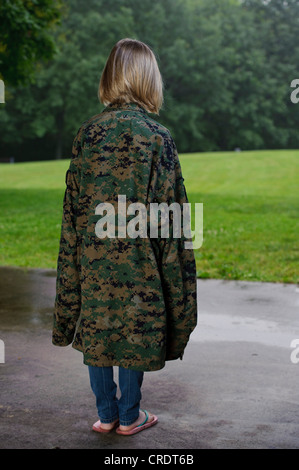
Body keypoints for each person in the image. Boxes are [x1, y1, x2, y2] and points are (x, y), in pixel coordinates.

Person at [52, 38, 198, 436]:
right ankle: (131, 416)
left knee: (98, 326)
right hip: (142, 263)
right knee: (136, 324)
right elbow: (173, 223)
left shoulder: (88, 134)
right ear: (149, 80)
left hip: (93, 259)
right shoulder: (157, 136)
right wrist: (181, 298)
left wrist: (71, 276)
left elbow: (72, 213)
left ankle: (106, 414)